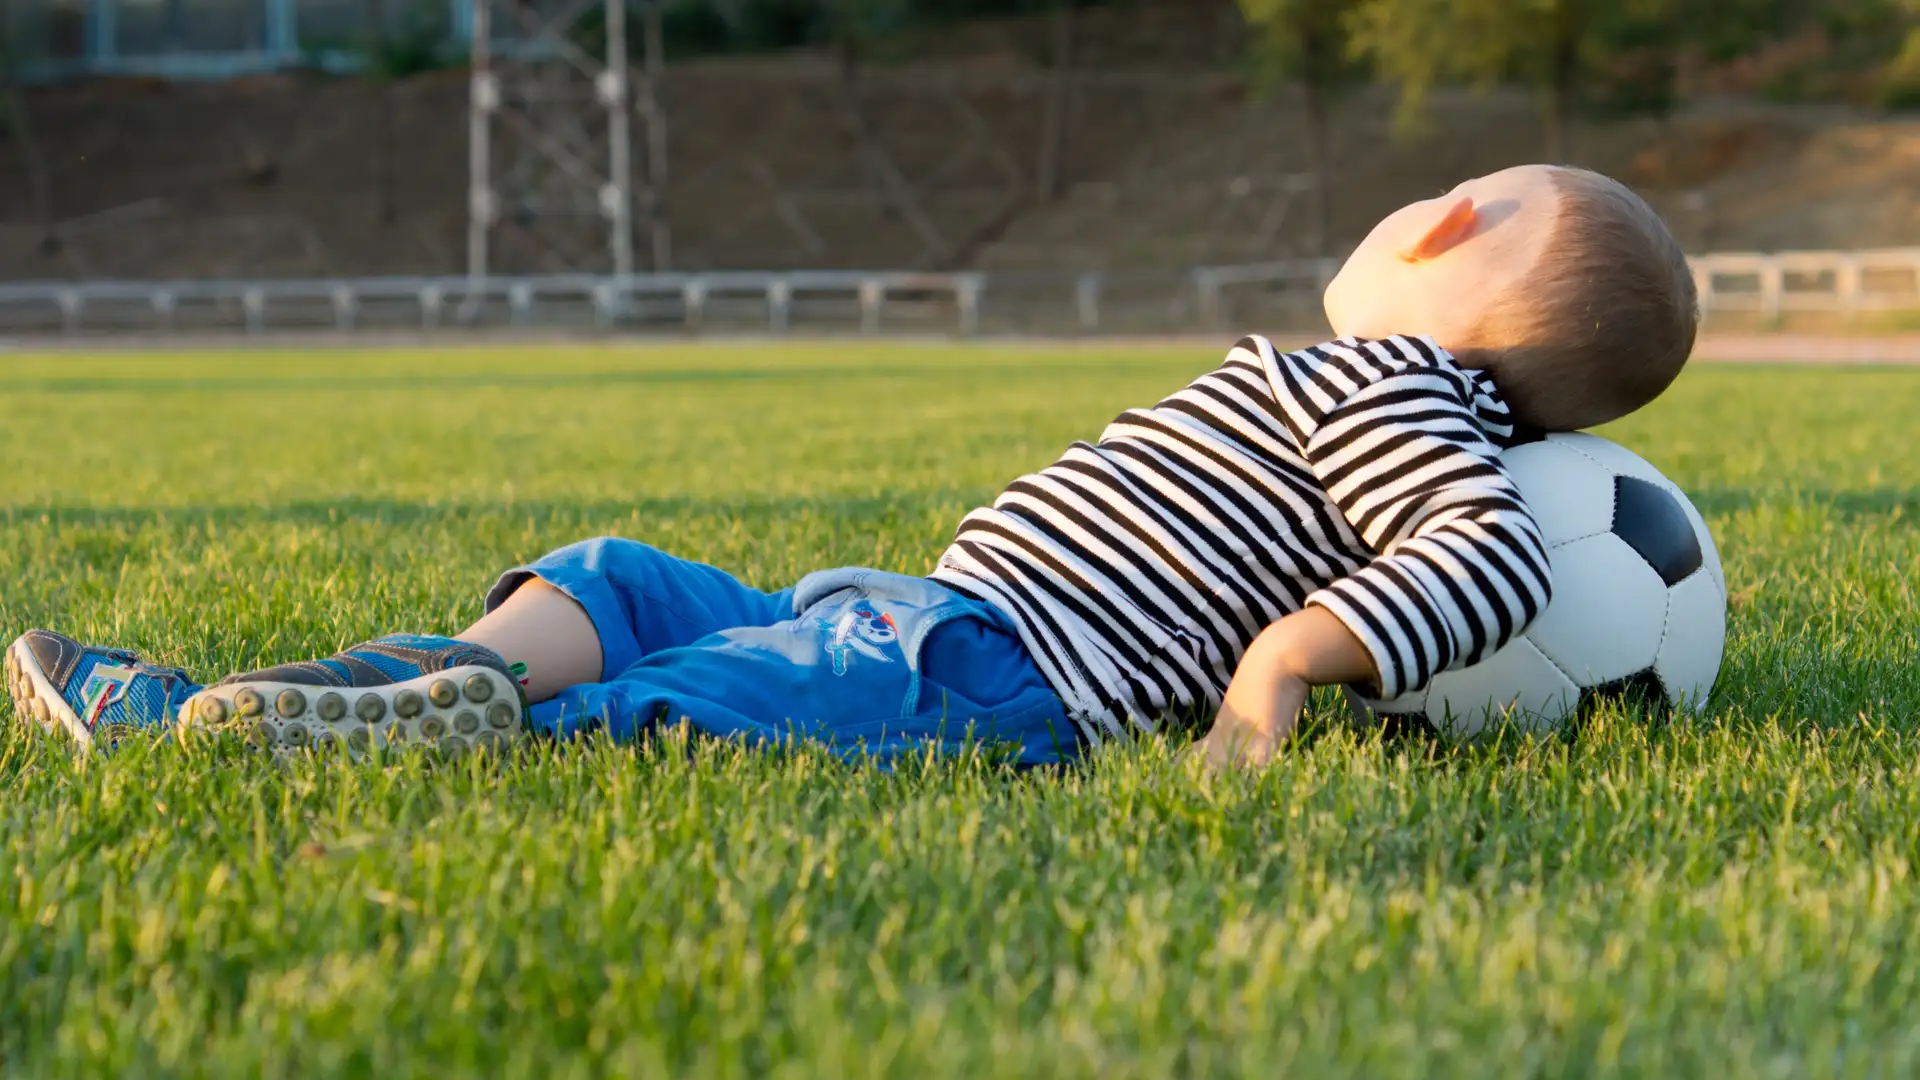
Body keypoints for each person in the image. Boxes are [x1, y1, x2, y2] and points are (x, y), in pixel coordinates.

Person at [4, 164, 1699, 771]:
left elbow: (1492, 559)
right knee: (620, 580)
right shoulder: (1377, 383)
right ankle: (384, 690)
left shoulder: (1401, 388)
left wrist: (1275, 674)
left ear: (1447, 228)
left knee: (694, 692)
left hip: (988, 673)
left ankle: (390, 735)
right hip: (923, 616)